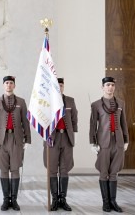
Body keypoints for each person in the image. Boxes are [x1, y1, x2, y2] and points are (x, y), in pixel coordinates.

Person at [0, 76, 31, 211]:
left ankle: (14, 200)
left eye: (11, 83)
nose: (9, 85)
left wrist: (28, 139)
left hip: (16, 139)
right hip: (1, 140)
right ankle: (5, 200)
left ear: (14, 85)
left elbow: (25, 122)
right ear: (3, 85)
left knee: (15, 169)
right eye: (6, 83)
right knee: (3, 169)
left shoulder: (21, 102)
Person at [89, 77, 129, 213]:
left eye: (112, 85)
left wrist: (126, 140)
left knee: (114, 172)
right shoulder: (96, 105)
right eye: (107, 85)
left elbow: (124, 123)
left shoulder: (121, 103)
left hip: (118, 142)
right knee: (103, 172)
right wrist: (92, 143)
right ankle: (105, 202)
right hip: (103, 142)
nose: (110, 87)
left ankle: (113, 201)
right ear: (102, 87)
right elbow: (92, 125)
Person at [43, 78, 78, 211]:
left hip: (66, 137)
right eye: (57, 86)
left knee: (64, 169)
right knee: (52, 168)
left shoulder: (70, 100)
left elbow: (74, 117)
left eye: (61, 85)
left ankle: (63, 199)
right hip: (52, 137)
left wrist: (72, 132)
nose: (59, 87)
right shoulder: (46, 101)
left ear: (63, 87)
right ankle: (54, 200)